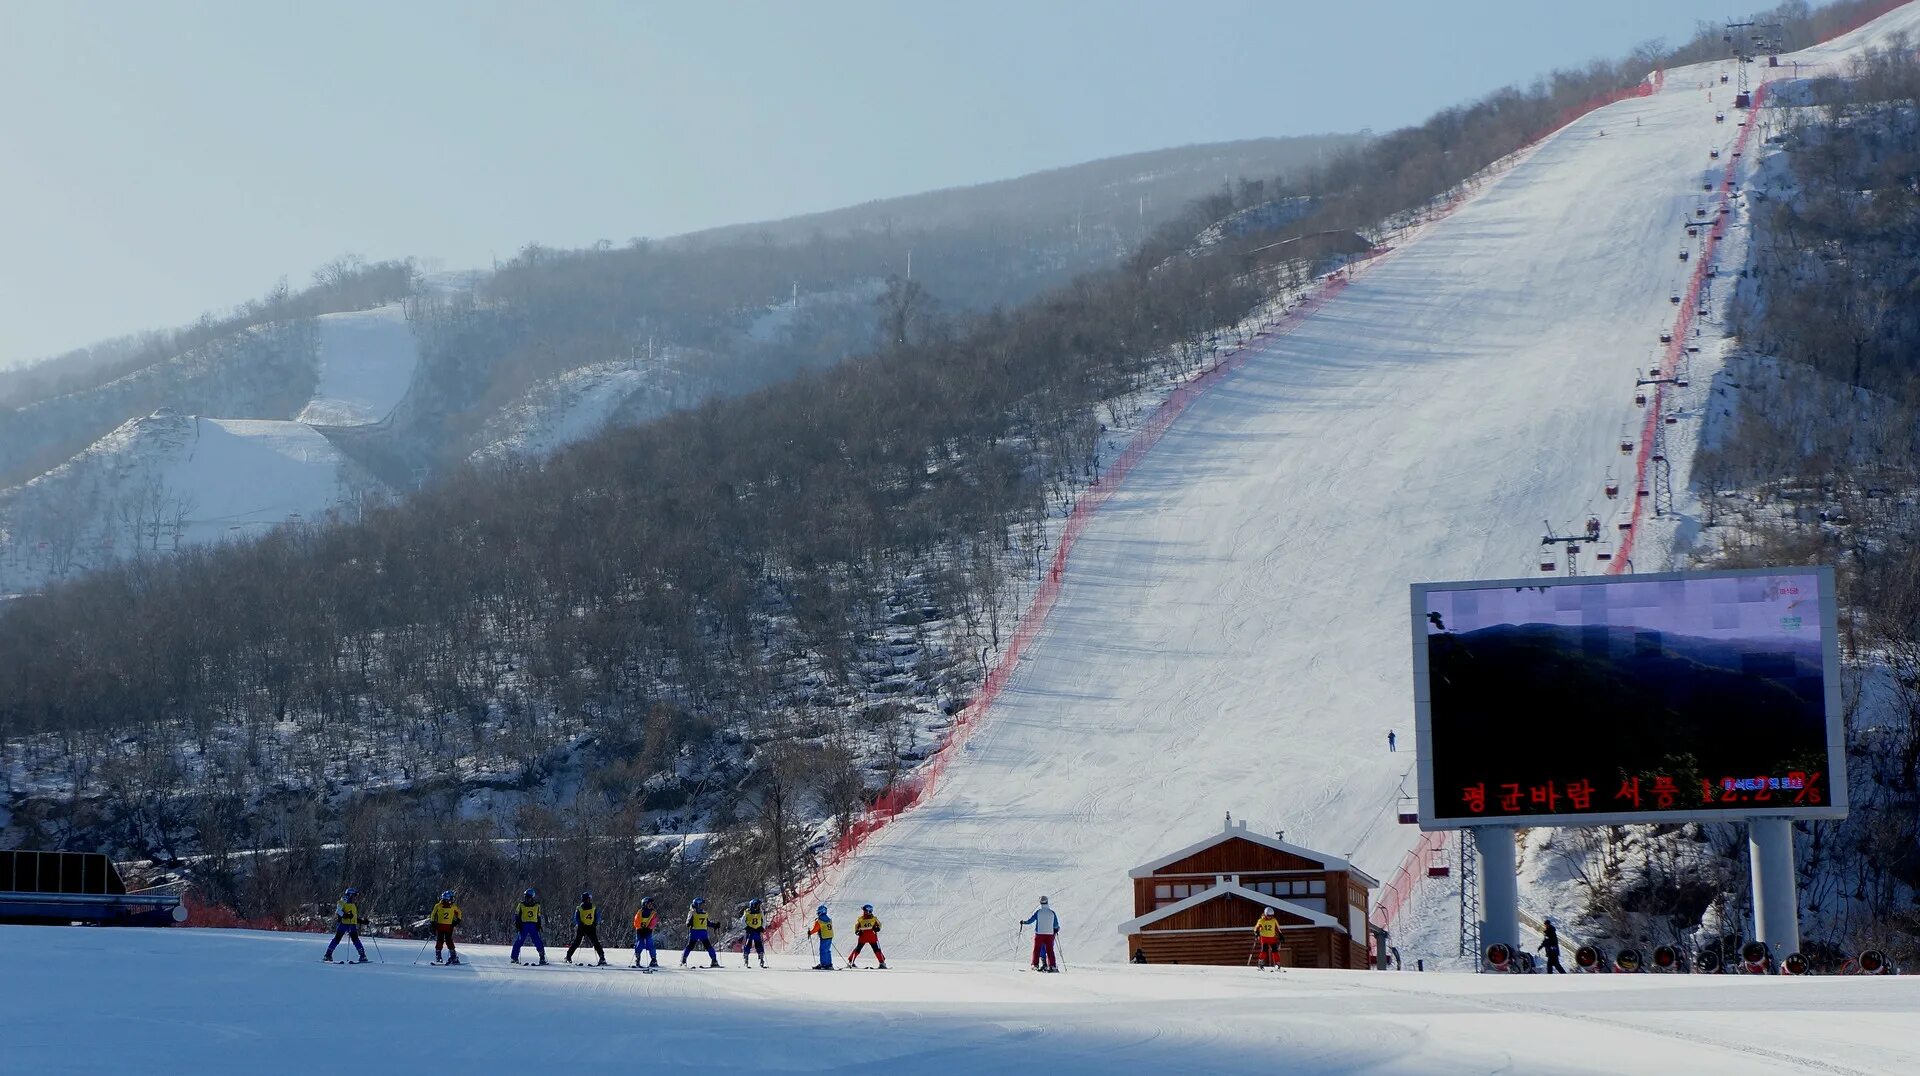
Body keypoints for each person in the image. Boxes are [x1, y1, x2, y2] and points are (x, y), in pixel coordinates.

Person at [323, 887, 368, 963]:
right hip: (344, 924)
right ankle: (328, 955)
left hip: (351, 924)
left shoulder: (353, 904)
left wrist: (362, 921)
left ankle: (363, 956)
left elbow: (353, 917)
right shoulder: (344, 899)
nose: (356, 897)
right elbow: (338, 910)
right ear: (350, 894)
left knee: (355, 940)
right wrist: (345, 915)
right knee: (337, 939)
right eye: (355, 895)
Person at [1021, 895, 1060, 972]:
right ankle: (1052, 966)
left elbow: (1030, 921)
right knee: (1050, 950)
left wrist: (1024, 922)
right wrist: (1056, 930)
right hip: (1050, 934)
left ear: (1040, 903)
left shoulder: (1038, 912)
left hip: (1039, 934)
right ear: (1047, 902)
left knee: (1037, 949)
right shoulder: (1052, 913)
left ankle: (1035, 965)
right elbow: (1056, 925)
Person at [567, 892, 607, 965]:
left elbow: (576, 918)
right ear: (587, 899)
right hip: (590, 926)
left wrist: (580, 923)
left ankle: (568, 956)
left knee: (577, 942)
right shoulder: (593, 907)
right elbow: (597, 916)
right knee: (595, 942)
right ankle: (602, 957)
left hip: (583, 927)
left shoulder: (579, 908)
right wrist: (595, 923)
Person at [511, 888, 547, 965]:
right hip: (524, 925)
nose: (527, 899)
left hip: (533, 925)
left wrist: (539, 924)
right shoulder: (521, 905)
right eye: (526, 897)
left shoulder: (537, 905)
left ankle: (542, 957)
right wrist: (517, 923)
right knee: (519, 941)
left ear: (532, 897)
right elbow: (517, 914)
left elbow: (538, 915)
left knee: (537, 941)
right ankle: (514, 957)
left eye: (528, 897)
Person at [682, 896, 719, 967]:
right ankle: (714, 960)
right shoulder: (702, 913)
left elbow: (688, 923)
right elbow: (707, 923)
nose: (702, 906)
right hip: (701, 933)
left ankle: (684, 960)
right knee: (708, 946)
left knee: (690, 946)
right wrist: (714, 925)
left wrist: (715, 925)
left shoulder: (693, 913)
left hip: (696, 932)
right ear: (697, 905)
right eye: (700, 905)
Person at [848, 904, 887, 969]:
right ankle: (882, 962)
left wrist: (857, 932)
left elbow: (856, 927)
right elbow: (879, 925)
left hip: (863, 937)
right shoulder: (873, 919)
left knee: (858, 949)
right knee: (876, 950)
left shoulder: (861, 919)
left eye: (864, 910)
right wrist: (877, 928)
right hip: (872, 937)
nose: (863, 912)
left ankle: (851, 961)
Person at [431, 890, 462, 965]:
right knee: (446, 941)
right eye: (451, 898)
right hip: (446, 926)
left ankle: (440, 956)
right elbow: (459, 913)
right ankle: (452, 956)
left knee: (442, 940)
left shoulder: (438, 905)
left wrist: (433, 923)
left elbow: (432, 915)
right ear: (448, 898)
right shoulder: (441, 906)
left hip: (444, 926)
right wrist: (457, 920)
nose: (452, 899)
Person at [632, 897, 660, 969]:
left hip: (648, 931)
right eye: (648, 904)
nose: (650, 905)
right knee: (640, 944)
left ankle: (653, 959)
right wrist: (639, 929)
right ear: (644, 904)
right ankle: (637, 959)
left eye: (651, 904)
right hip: (640, 931)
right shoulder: (639, 912)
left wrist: (649, 929)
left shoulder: (653, 913)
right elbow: (636, 922)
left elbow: (654, 922)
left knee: (650, 944)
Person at [740, 898, 767, 968]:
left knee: (759, 944)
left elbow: (763, 920)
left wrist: (762, 927)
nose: (759, 907)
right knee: (748, 944)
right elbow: (742, 920)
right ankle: (746, 957)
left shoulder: (760, 912)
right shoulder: (747, 912)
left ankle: (761, 958)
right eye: (758, 906)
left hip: (757, 930)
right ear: (754, 905)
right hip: (750, 931)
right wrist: (746, 927)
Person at [807, 905, 835, 970]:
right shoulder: (828, 919)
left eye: (818, 912)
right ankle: (829, 964)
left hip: (824, 937)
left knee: (823, 950)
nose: (818, 913)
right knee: (827, 950)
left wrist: (810, 932)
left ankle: (824, 964)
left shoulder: (819, 921)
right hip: (830, 936)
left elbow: (815, 929)